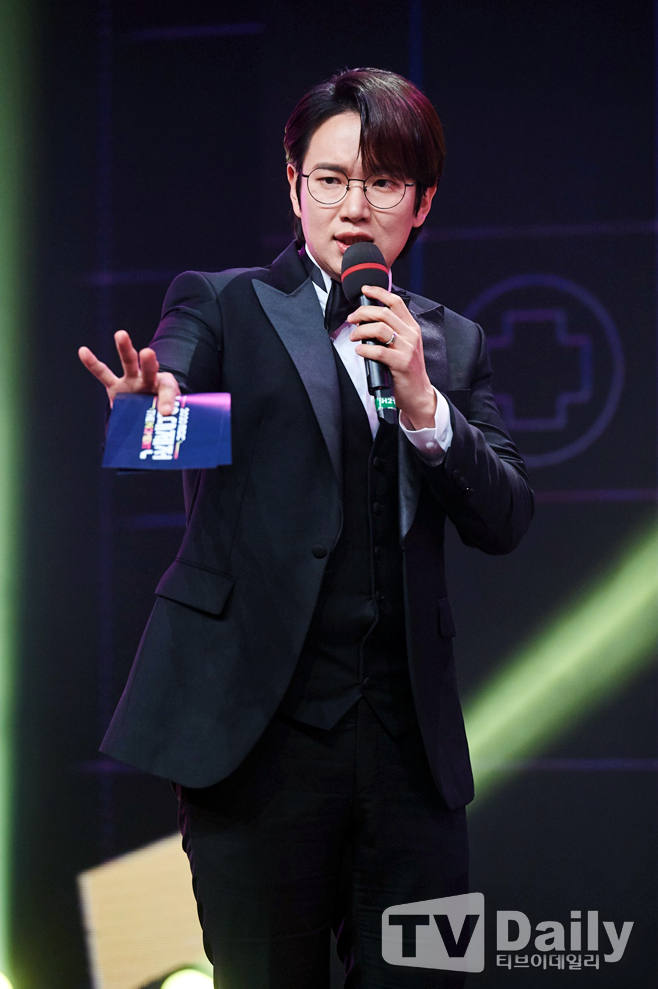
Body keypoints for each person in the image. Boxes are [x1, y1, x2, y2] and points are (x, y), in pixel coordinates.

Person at [79, 67, 533, 989]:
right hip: (258, 744)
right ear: (294, 187)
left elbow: (505, 515)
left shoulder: (452, 344)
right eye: (330, 179)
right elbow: (168, 424)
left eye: (383, 182)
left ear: (423, 203)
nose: (354, 206)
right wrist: (147, 408)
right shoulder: (226, 305)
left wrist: (424, 402)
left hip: (409, 753)